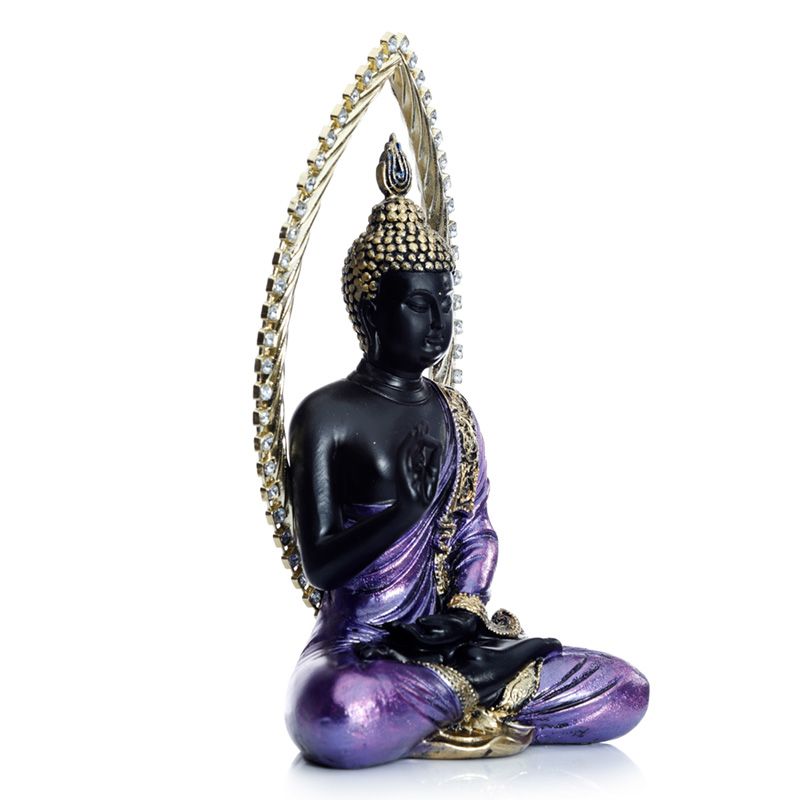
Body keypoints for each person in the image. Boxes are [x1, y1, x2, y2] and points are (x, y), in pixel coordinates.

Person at [283, 136, 649, 769]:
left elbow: (475, 531)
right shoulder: (327, 415)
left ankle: (448, 701)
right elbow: (320, 565)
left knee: (624, 689)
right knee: (334, 712)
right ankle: (475, 699)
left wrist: (463, 611)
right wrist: (405, 511)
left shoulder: (452, 412)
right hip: (359, 647)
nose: (438, 323)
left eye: (446, 303)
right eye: (418, 305)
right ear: (371, 309)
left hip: (448, 641)